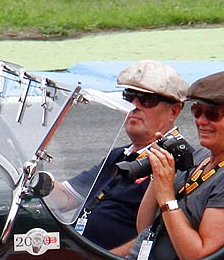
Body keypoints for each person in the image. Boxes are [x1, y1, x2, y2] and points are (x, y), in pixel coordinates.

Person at [128, 69, 224, 260]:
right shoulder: (201, 157)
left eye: (213, 114)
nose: (201, 121)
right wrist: (159, 172)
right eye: (197, 111)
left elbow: (199, 258)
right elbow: (144, 227)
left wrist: (167, 197)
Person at [51, 59, 188, 249]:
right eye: (129, 97)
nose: (134, 106)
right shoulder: (120, 155)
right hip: (78, 253)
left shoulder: (176, 162)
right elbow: (66, 197)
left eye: (147, 100)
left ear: (173, 111)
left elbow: (157, 235)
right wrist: (34, 179)